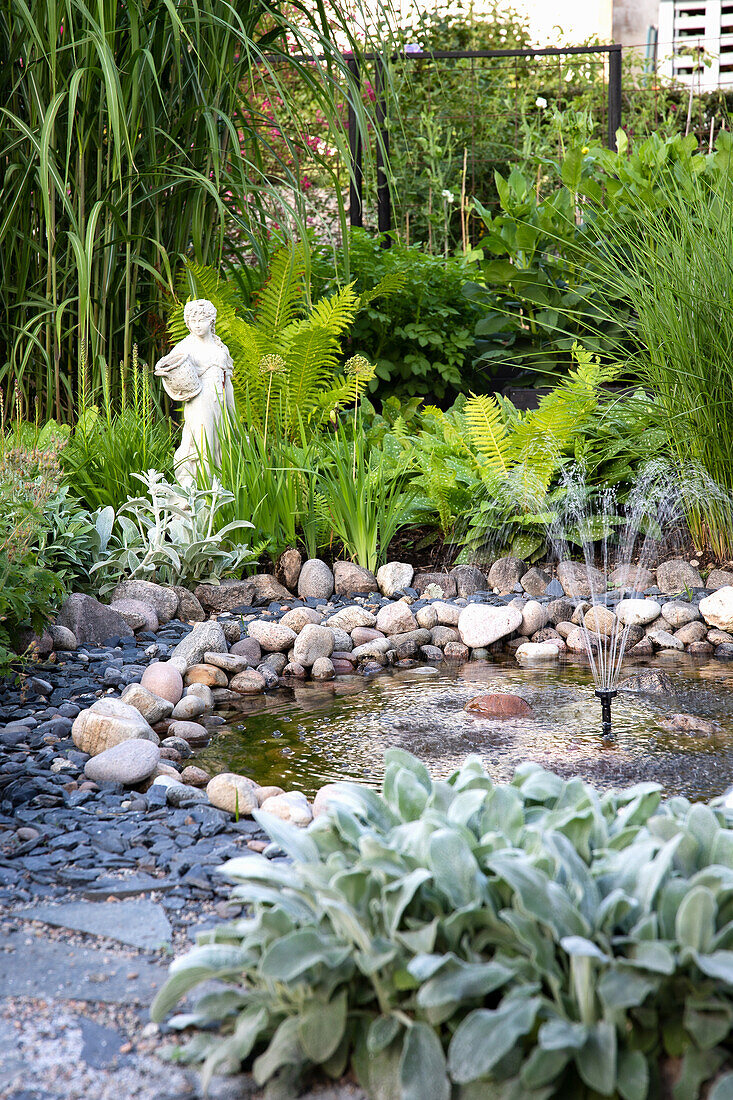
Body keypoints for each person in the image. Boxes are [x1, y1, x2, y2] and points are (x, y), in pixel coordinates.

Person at [154, 299, 235, 487]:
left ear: (211, 321)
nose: (197, 325)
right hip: (200, 402)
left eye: (202, 320)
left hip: (220, 400)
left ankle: (219, 488)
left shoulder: (220, 348)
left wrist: (232, 413)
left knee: (222, 443)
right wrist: (165, 372)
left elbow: (227, 382)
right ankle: (201, 489)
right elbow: (166, 367)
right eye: (193, 321)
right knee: (202, 443)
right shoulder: (186, 346)